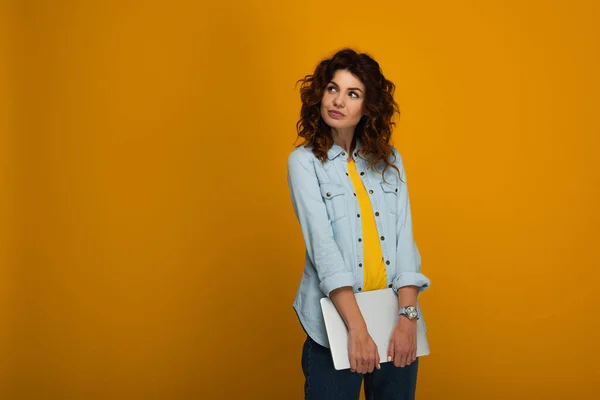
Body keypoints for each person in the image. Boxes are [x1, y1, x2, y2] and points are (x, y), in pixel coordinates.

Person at [286, 48, 431, 400]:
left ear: (368, 107)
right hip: (337, 327)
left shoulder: (390, 161)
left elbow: (404, 241)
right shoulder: (304, 163)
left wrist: (408, 319)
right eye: (332, 89)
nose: (338, 101)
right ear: (319, 93)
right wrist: (358, 330)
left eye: (353, 94)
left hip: (396, 322)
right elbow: (324, 250)